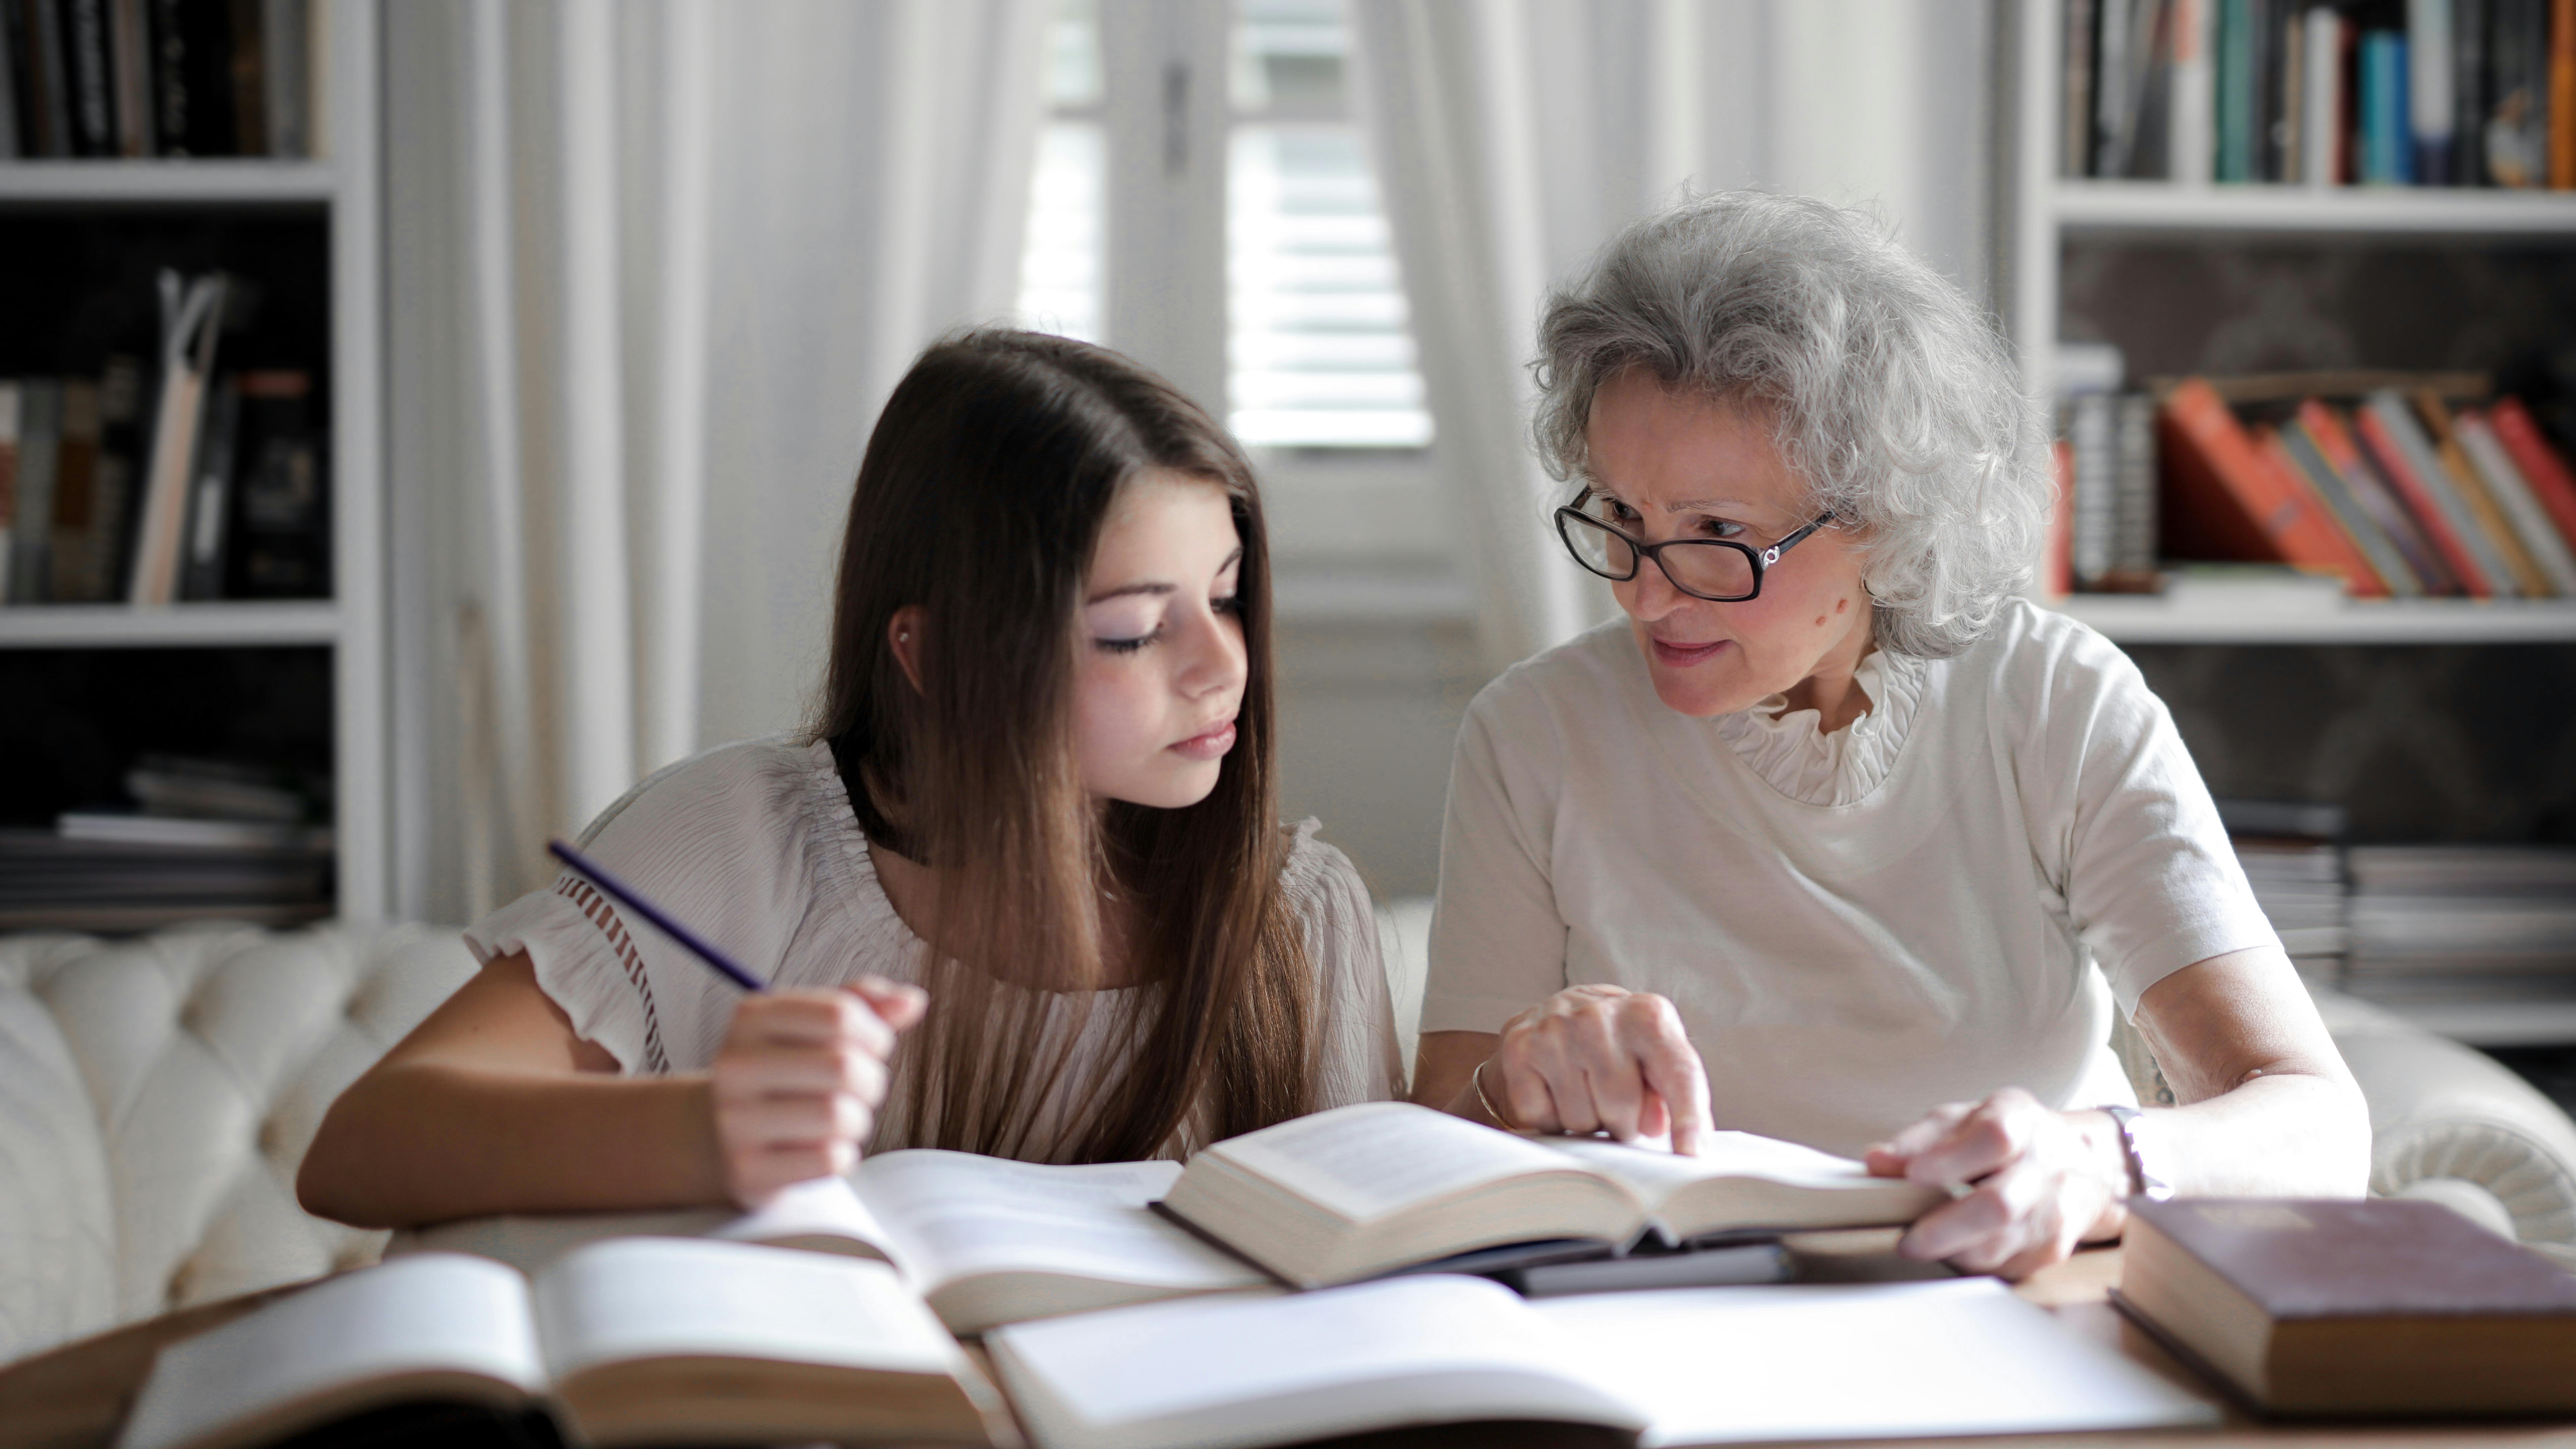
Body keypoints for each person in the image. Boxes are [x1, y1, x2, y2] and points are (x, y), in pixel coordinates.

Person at [1411, 193, 2371, 1279]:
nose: (1644, 595)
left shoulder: (2053, 705)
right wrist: (1512, 1084)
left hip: (2022, 1303)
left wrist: (2095, 1162)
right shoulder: (1533, 734)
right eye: (1623, 518)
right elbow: (1428, 1152)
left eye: (1718, 537)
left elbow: (2316, 1122)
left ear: (1881, 518)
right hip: (1675, 1319)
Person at [300, 330, 1401, 1227]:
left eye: (1224, 593)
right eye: (1130, 630)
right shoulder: (740, 845)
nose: (1222, 666)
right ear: (935, 656)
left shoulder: (1298, 917)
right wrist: (701, 1129)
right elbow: (364, 1149)